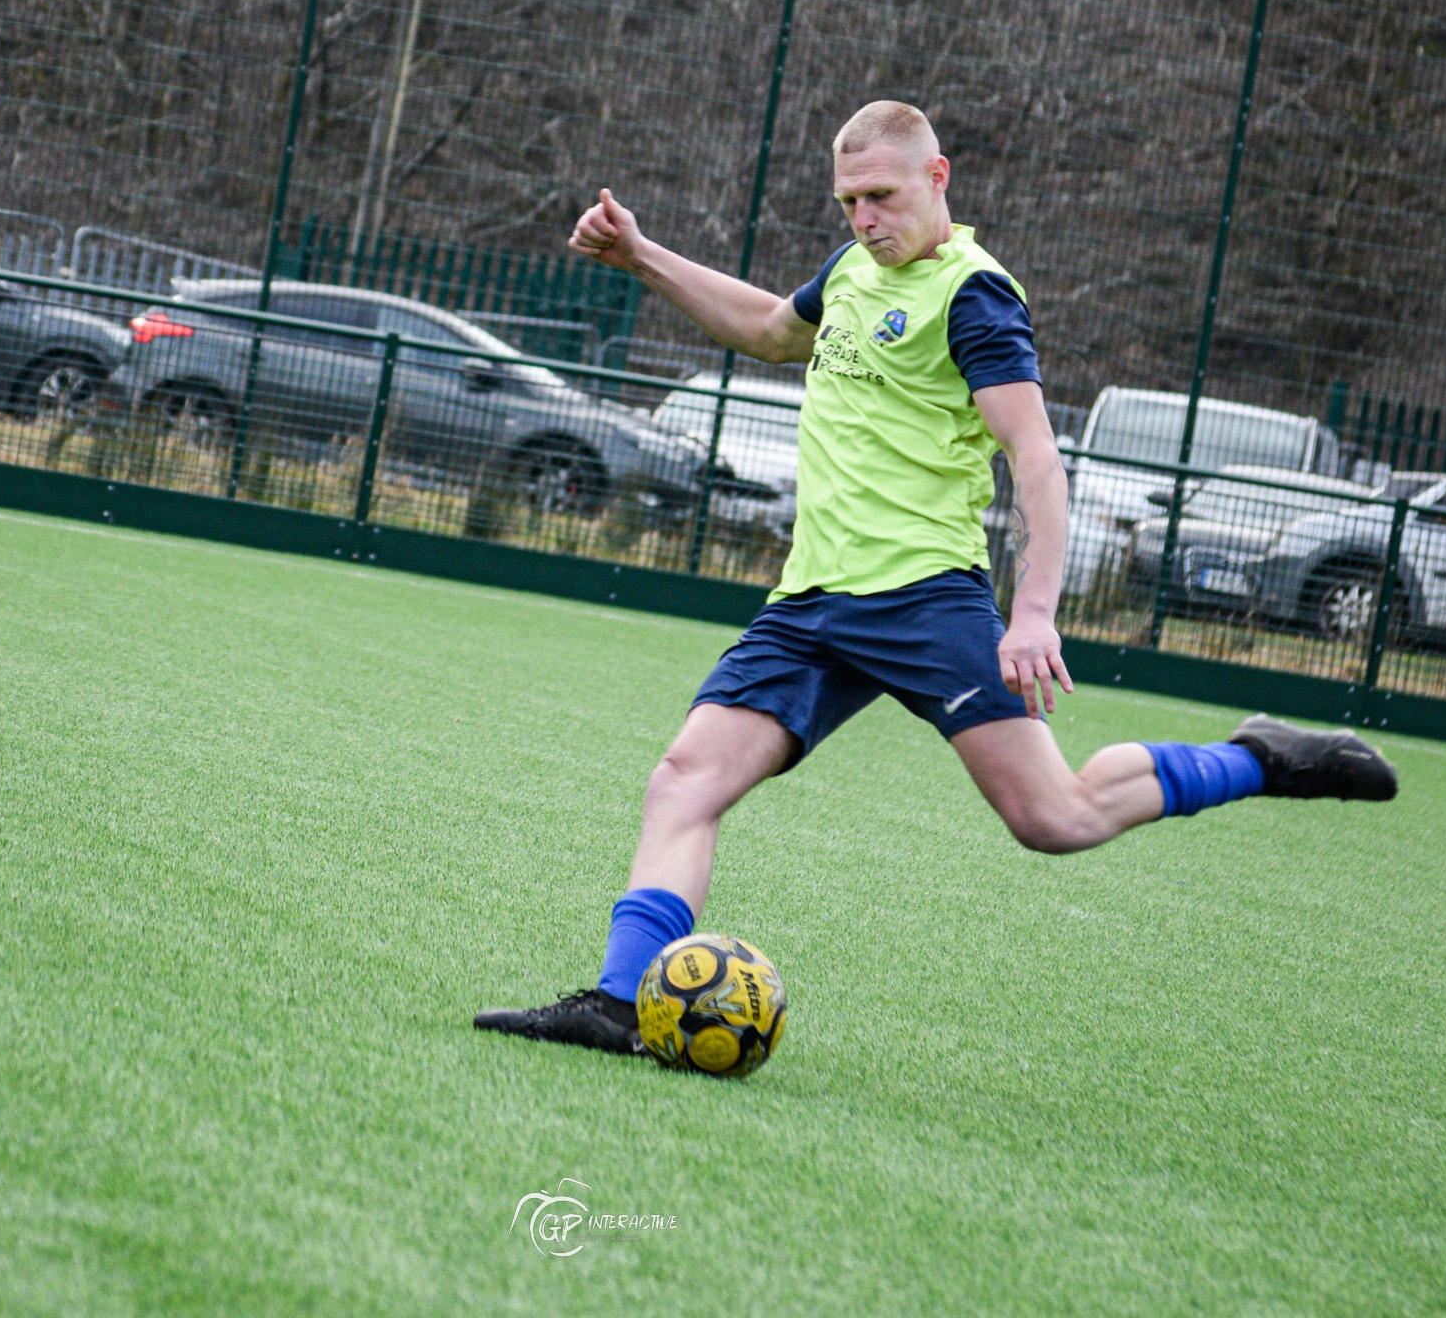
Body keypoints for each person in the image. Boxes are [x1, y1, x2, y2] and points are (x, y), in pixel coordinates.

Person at [474, 100, 1397, 1056]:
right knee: (683, 780)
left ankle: (1258, 758)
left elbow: (1035, 455)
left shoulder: (975, 293)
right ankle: (621, 1004)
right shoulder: (850, 272)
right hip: (812, 604)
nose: (865, 219)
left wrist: (1034, 609)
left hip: (926, 598)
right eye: (849, 203)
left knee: (1056, 817)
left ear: (937, 178)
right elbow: (764, 329)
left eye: (881, 196)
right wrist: (641, 256)